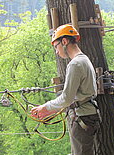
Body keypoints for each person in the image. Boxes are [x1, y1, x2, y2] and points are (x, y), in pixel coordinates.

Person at [30, 24, 100, 155]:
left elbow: (67, 98)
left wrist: (45, 107)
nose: (56, 51)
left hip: (82, 117)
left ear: (64, 41)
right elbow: (74, 96)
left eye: (56, 46)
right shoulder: (85, 60)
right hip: (87, 115)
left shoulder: (75, 64)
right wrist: (51, 110)